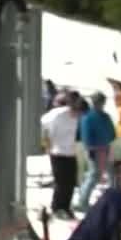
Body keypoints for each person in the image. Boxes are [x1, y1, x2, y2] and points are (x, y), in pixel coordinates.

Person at [74, 91, 116, 212]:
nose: (101, 103)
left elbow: (112, 133)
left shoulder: (104, 116)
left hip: (106, 149)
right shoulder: (88, 118)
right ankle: (82, 202)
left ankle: (112, 199)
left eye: (102, 101)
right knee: (95, 175)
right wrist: (91, 149)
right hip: (95, 150)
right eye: (99, 101)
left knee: (111, 174)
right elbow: (86, 137)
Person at [43, 92, 82, 220]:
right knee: (61, 182)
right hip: (57, 152)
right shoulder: (58, 115)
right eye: (75, 111)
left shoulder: (78, 117)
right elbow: (44, 126)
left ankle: (65, 207)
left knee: (71, 182)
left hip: (71, 152)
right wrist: (47, 144)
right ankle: (56, 207)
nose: (77, 115)